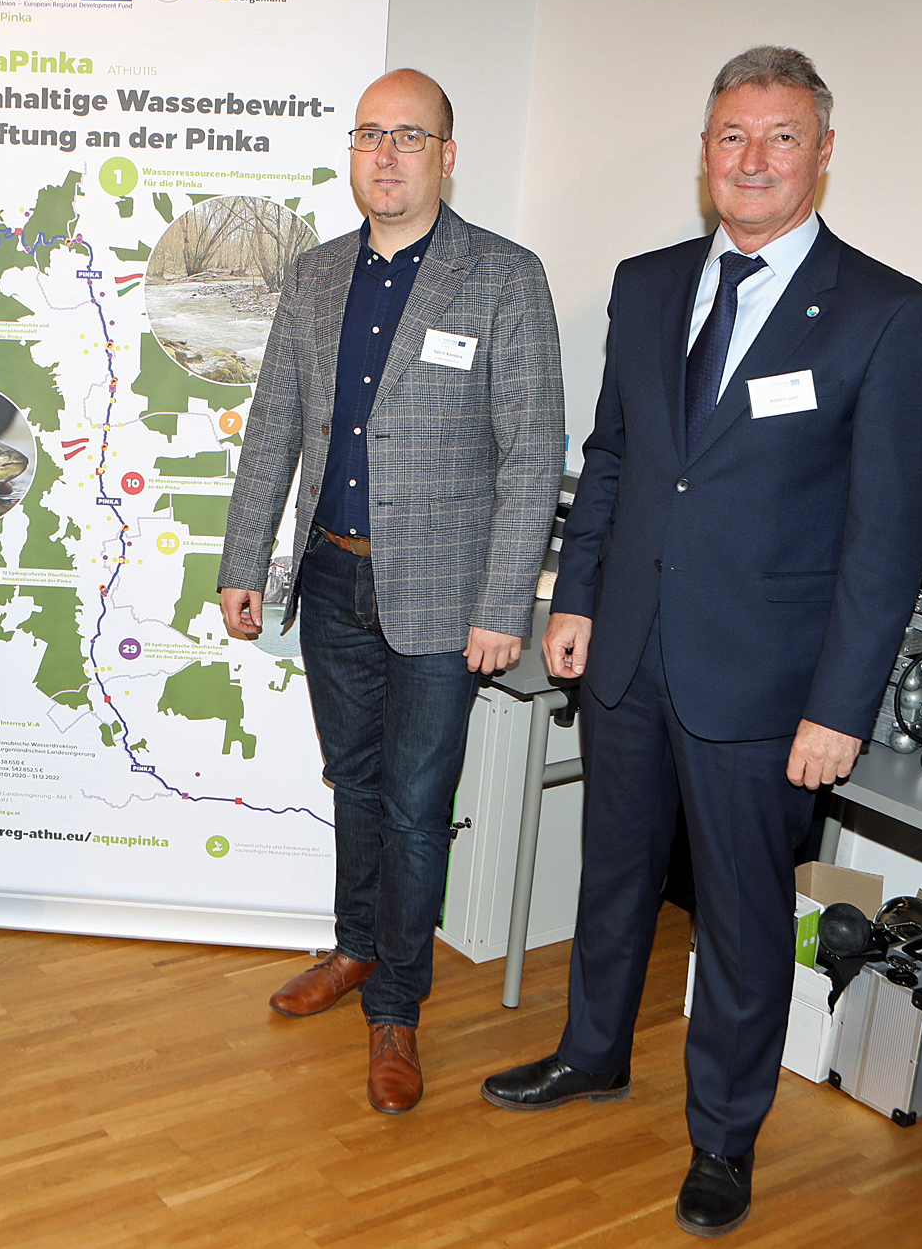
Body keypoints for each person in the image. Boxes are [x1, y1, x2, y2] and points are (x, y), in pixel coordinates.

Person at [481, 47, 922, 1237]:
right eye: (730, 136)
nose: (751, 159)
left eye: (778, 136)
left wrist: (839, 705)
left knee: (739, 919)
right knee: (611, 874)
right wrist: (576, 599)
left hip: (764, 680)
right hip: (628, 650)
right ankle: (591, 1052)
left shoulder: (886, 314)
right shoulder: (644, 285)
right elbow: (616, 458)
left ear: (820, 153)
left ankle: (722, 1138)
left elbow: (883, 539)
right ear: (703, 152)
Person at [218, 68, 564, 1113]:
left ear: (446, 156)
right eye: (370, 134)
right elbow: (274, 425)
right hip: (332, 574)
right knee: (355, 782)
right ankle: (356, 946)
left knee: (416, 808)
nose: (386, 154)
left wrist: (502, 605)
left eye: (408, 136)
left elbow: (530, 456)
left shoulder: (502, 276)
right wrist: (242, 561)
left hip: (444, 596)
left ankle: (396, 1009)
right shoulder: (317, 273)